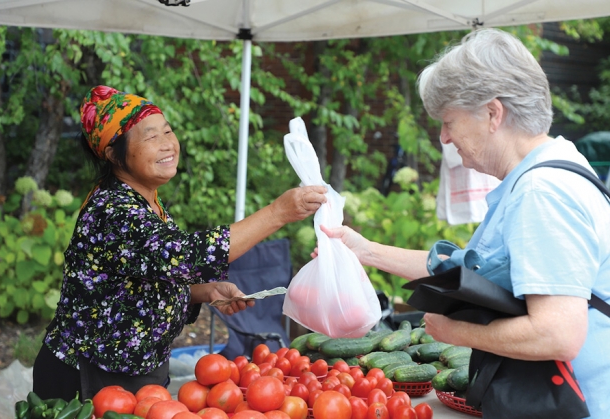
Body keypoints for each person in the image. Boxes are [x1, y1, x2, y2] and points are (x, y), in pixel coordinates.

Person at [316, 29, 610, 418]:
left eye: (449, 121)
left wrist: (456, 333)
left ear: (493, 113)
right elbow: (469, 268)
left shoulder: (542, 192)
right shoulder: (553, 167)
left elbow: (558, 334)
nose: (444, 137)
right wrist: (365, 250)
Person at [33, 85, 327, 401]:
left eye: (168, 131)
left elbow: (142, 281)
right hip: (87, 376)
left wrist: (202, 291)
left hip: (134, 375)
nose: (168, 145)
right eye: (151, 137)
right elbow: (186, 256)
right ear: (111, 154)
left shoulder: (148, 202)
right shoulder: (113, 209)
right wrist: (277, 212)